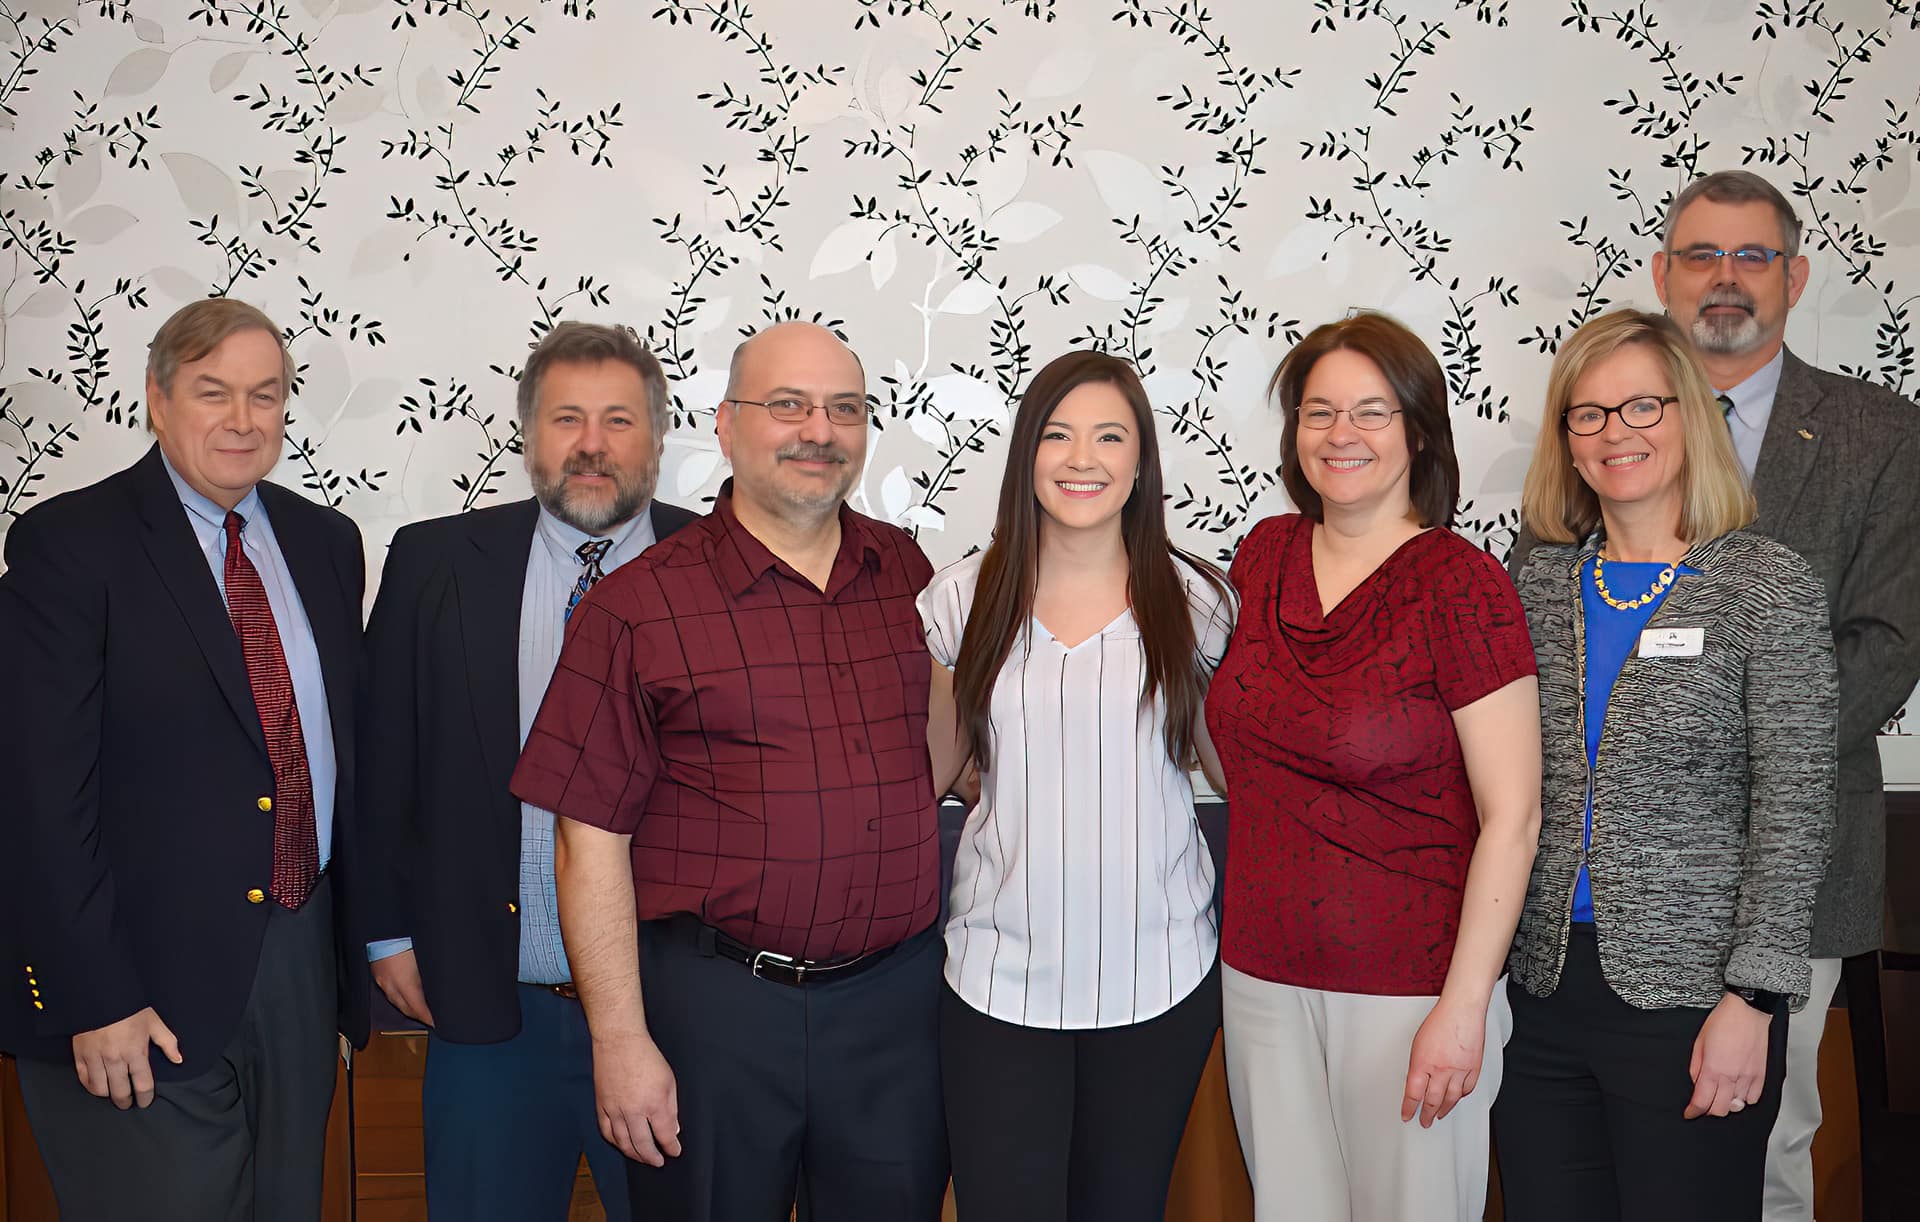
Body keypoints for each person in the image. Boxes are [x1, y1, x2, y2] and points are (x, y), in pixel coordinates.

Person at [508, 321, 949, 1221]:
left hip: (896, 1013)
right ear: (726, 425)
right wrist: (620, 1039)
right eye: (787, 405)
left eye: (844, 409)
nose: (817, 430)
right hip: (717, 1015)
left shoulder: (905, 571)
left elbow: (937, 756)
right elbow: (585, 842)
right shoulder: (640, 606)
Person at [0, 298, 370, 1220]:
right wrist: (95, 995)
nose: (243, 421)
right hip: (134, 979)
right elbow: (37, 796)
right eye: (213, 393)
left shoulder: (327, 543)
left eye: (266, 395)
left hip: (296, 958)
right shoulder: (67, 546)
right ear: (158, 403)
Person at [1493, 308, 1837, 1221]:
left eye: (1643, 406)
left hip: (1694, 1002)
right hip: (1542, 993)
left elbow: (1796, 808)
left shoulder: (1765, 584)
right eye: (1590, 414)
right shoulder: (1538, 584)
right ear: (1567, 441)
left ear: (1691, 415)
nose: (1617, 434)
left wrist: (1752, 1002)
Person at [1206, 312, 1542, 1222]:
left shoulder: (1461, 583)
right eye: (1319, 413)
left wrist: (1464, 1006)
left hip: (1411, 987)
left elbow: (1514, 816)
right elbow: (1240, 742)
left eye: (1371, 412)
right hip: (1262, 972)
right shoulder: (1264, 555)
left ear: (1419, 432)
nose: (1340, 435)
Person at [359, 322, 697, 1219]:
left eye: (620, 420)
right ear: (528, 435)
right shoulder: (434, 563)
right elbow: (381, 755)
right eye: (567, 419)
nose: (592, 444)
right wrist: (386, 935)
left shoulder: (722, 566)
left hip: (678, 1012)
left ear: (659, 439)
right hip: (483, 1001)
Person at [1648, 170, 1920, 1221]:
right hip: (1623, 861)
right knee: (1627, 1128)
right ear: (1665, 273)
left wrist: (1732, 752)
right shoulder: (1609, 420)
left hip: (1801, 858)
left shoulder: (1882, 433)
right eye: (1703, 255)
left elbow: (1889, 642)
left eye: (1751, 256)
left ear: (1795, 276)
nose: (1726, 278)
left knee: (1773, 1137)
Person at [922, 350, 1235, 1221]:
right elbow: (930, 772)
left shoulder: (1198, 600)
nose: (1081, 457)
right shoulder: (963, 596)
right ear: (1027, 457)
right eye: (1056, 435)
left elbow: (1232, 768)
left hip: (1159, 979)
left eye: (1109, 436)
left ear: (1141, 464)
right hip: (995, 981)